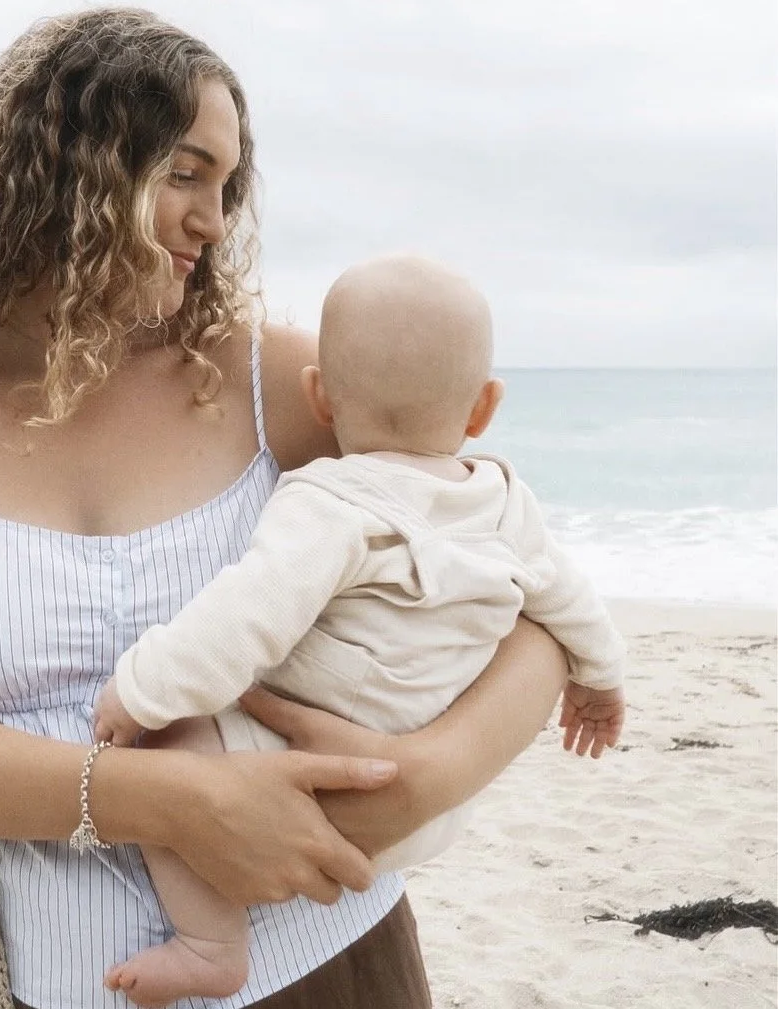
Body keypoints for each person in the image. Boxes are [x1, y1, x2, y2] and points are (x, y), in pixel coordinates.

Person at [0, 7, 569, 1009]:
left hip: (323, 962)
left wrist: (431, 772)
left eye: (228, 185)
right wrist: (173, 799)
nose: (215, 217)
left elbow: (530, 588)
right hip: (38, 984)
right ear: (63, 162)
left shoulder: (276, 378)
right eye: (185, 172)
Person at [93, 253, 626, 1006]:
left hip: (316, 789)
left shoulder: (330, 502)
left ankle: (209, 944)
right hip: (427, 807)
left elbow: (244, 618)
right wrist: (599, 679)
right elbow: (571, 602)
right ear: (483, 408)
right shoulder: (506, 503)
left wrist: (141, 690)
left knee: (170, 753)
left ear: (318, 396)